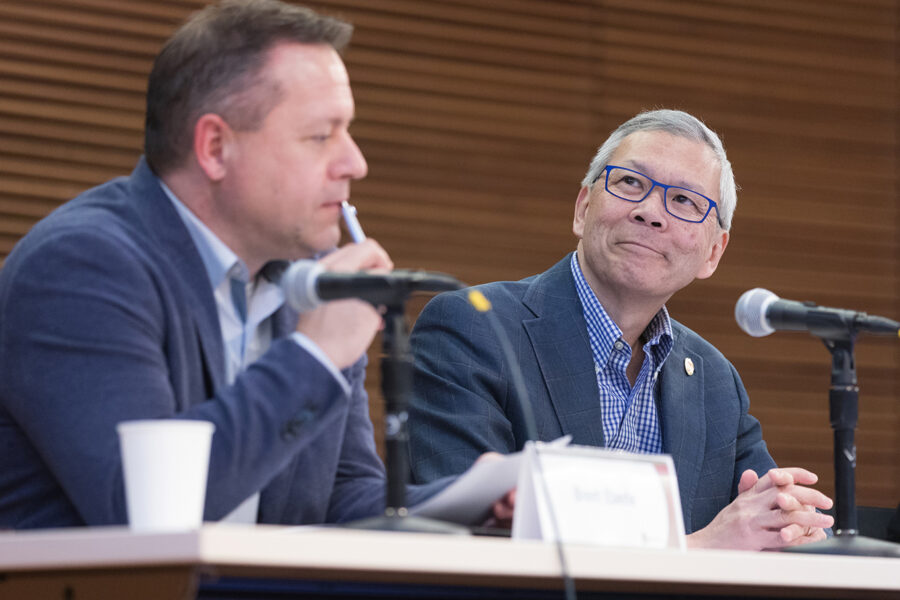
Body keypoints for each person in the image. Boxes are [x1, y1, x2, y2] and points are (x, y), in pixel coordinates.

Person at [0, 0, 503, 529]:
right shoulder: (82, 266)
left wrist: (472, 500)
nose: (355, 162)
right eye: (320, 136)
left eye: (347, 131)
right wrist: (314, 354)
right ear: (215, 147)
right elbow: (141, 509)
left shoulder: (309, 277)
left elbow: (341, 499)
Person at [408, 109, 834, 550]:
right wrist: (700, 549)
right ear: (583, 207)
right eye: (631, 183)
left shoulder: (714, 381)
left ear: (713, 252)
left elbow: (763, 522)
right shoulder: (472, 328)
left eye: (685, 201)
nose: (651, 213)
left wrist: (788, 524)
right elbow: (471, 538)